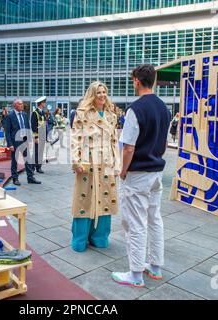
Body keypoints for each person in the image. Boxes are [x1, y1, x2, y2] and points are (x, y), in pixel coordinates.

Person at [111, 65, 171, 288]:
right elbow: (164, 143)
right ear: (153, 80)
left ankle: (135, 274)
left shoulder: (135, 109)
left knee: (135, 223)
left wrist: (123, 171)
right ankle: (155, 267)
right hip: (156, 171)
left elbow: (128, 147)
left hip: (138, 173)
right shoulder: (164, 108)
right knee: (155, 219)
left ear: (136, 80)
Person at [70, 81, 120, 252]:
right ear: (92, 94)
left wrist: (117, 163)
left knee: (105, 198)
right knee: (84, 199)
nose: (102, 95)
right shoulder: (82, 113)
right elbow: (75, 137)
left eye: (104, 92)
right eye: (99, 92)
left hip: (106, 161)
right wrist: (76, 161)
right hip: (87, 161)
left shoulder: (111, 115)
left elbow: (114, 141)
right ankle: (80, 239)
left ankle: (99, 237)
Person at [4, 99, 41, 186]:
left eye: (22, 104)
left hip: (24, 141)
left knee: (27, 159)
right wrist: (10, 144)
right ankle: (15, 178)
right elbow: (7, 132)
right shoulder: (10, 116)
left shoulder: (24, 115)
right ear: (15, 105)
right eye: (20, 104)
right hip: (15, 141)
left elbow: (27, 127)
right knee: (15, 161)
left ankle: (30, 177)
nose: (22, 105)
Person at [31, 96, 47, 174]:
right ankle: (32, 168)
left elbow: (43, 124)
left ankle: (39, 167)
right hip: (38, 136)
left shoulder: (42, 112)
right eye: (44, 102)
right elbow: (33, 126)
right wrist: (36, 137)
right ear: (41, 103)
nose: (45, 104)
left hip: (43, 135)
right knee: (36, 152)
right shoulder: (35, 113)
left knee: (41, 152)